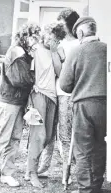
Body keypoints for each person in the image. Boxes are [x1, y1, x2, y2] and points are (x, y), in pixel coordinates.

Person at [0, 24, 40, 187]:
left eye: (37, 37)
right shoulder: (17, 51)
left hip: (18, 100)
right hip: (9, 100)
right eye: (33, 37)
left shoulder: (25, 53)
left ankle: (7, 173)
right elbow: (18, 79)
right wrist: (34, 80)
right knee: (2, 137)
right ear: (25, 36)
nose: (36, 41)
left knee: (15, 138)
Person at [60, 17, 107, 193]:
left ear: (80, 32)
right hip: (106, 105)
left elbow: (64, 85)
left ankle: (86, 189)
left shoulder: (76, 51)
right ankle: (95, 186)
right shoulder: (107, 49)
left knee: (83, 149)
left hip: (84, 105)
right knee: (100, 146)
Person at [37, 8, 80, 185]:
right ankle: (43, 167)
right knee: (48, 131)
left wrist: (55, 52)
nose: (59, 27)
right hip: (52, 93)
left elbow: (61, 72)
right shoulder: (57, 43)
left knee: (65, 134)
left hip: (67, 94)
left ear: (70, 24)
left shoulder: (77, 45)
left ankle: (67, 172)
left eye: (62, 24)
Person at [25, 24, 61, 188]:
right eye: (49, 36)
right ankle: (32, 173)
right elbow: (28, 71)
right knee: (38, 135)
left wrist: (54, 52)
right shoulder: (35, 49)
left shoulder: (56, 51)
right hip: (38, 94)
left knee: (47, 137)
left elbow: (60, 73)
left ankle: (30, 168)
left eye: (55, 39)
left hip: (52, 97)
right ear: (45, 34)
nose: (51, 40)